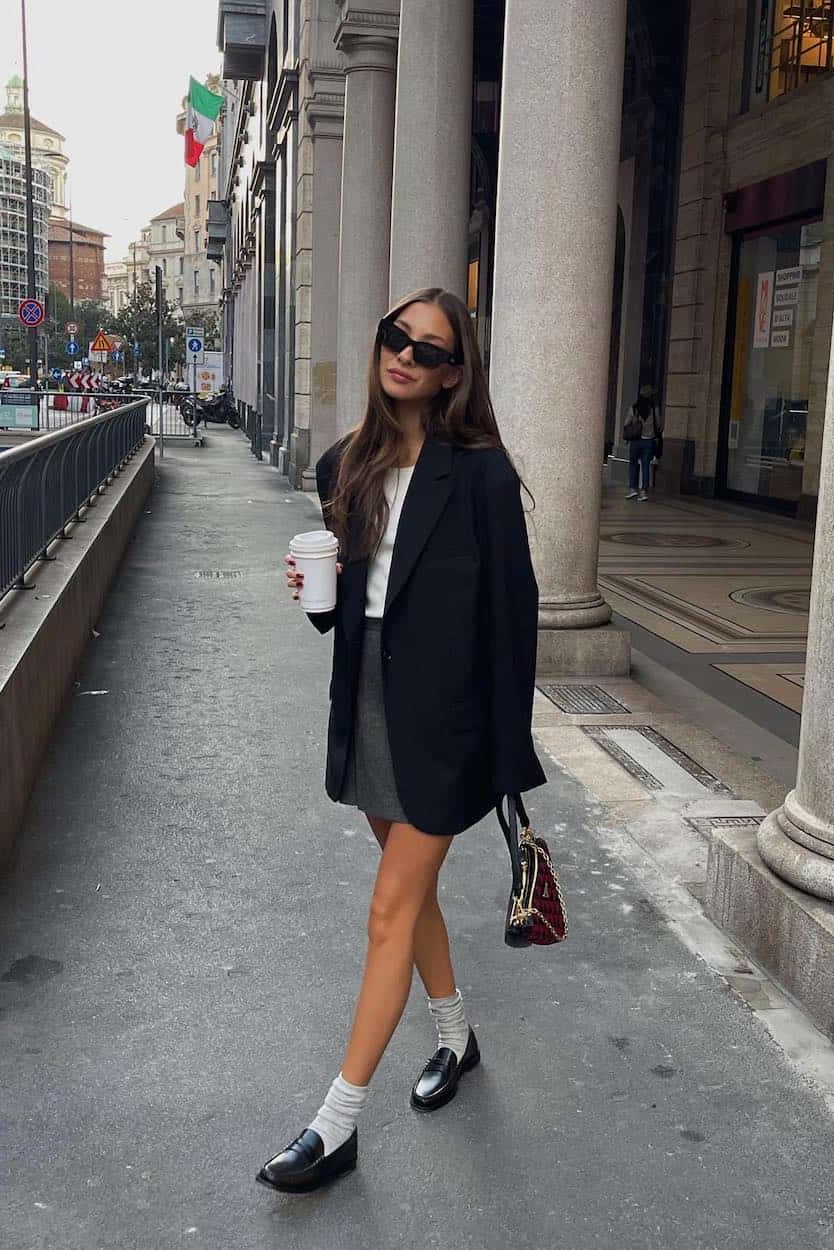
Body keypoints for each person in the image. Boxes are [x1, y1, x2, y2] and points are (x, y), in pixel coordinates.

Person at [262, 287, 546, 1195]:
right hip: (370, 700)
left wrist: (507, 763)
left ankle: (337, 1123)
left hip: (450, 719)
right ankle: (456, 1039)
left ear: (454, 375)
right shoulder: (346, 462)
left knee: (388, 908)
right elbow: (352, 604)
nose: (404, 359)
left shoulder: (483, 474)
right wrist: (313, 594)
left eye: (428, 351)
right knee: (406, 889)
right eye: (396, 339)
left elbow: (514, 622)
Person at [622, 384, 663, 501]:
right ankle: (644, 491)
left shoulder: (634, 407)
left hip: (635, 441)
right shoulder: (654, 408)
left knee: (633, 464)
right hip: (649, 441)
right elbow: (659, 425)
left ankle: (633, 489)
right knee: (645, 465)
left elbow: (626, 423)